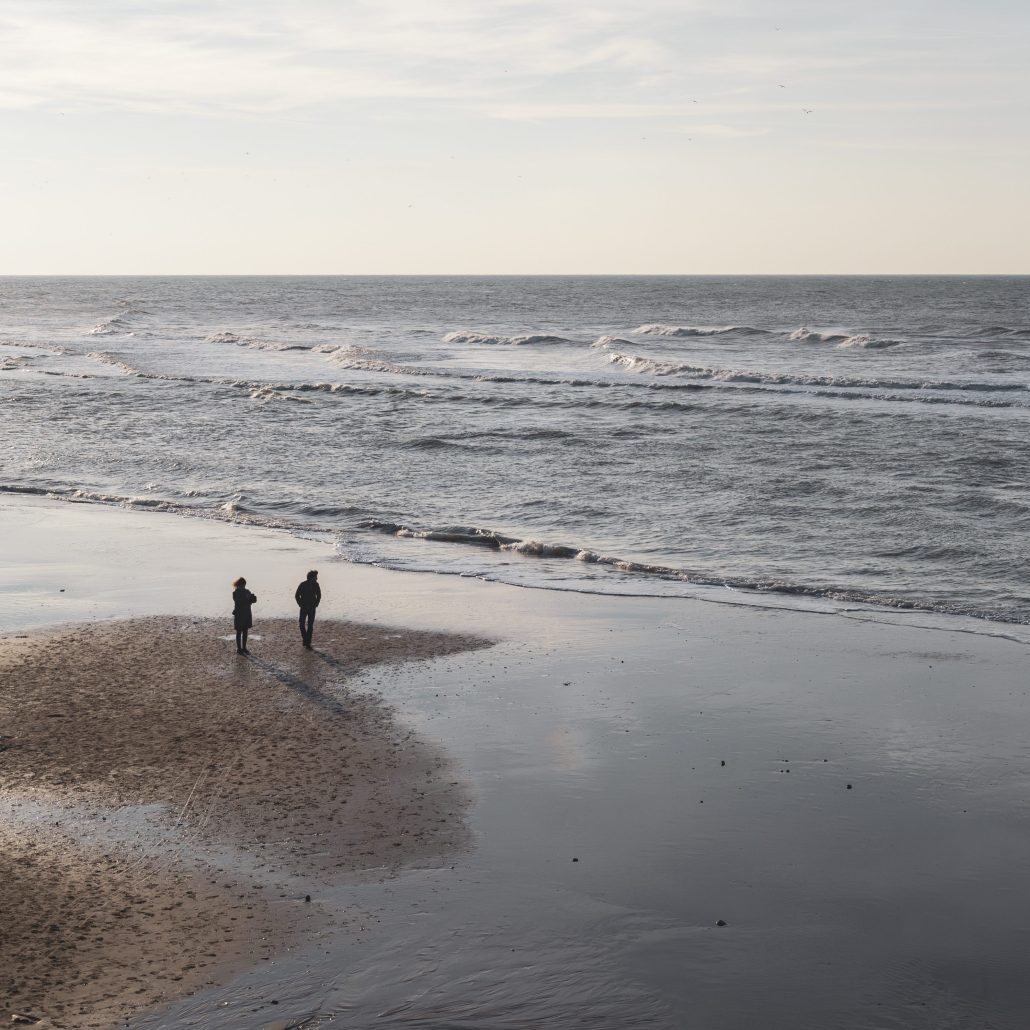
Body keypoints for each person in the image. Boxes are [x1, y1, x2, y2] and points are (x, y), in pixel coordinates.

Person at [295, 569, 321, 649]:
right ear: (312, 577)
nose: (317, 578)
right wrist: (300, 604)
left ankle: (308, 643)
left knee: (310, 626)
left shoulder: (316, 585)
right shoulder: (302, 584)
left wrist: (316, 604)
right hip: (303, 608)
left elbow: (319, 595)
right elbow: (297, 595)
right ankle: (305, 639)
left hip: (312, 608)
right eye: (316, 577)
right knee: (301, 625)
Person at [232, 577, 257, 654]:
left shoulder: (236, 593)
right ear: (242, 584)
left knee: (240, 632)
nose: (244, 586)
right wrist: (250, 598)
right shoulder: (244, 592)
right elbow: (251, 601)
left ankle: (240, 649)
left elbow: (251, 601)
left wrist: (251, 598)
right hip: (245, 613)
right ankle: (243, 648)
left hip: (240, 614)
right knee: (244, 632)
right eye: (244, 584)